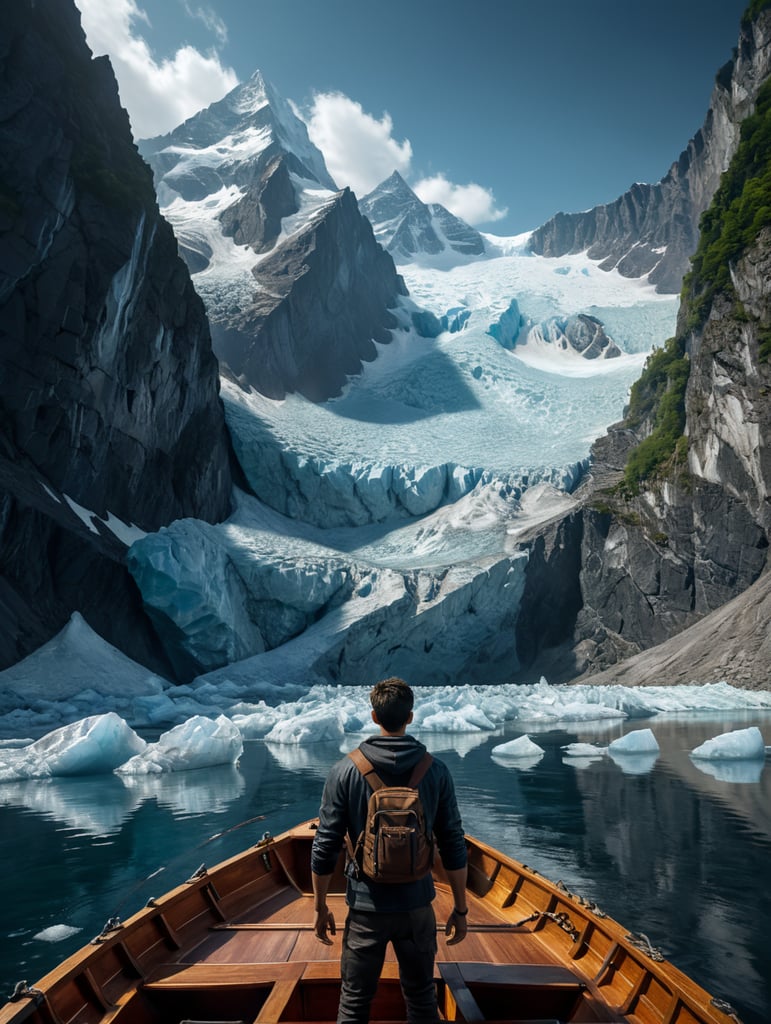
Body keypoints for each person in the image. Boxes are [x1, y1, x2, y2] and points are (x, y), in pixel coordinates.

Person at [311, 676, 468, 1024]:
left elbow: (325, 847)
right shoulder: (436, 771)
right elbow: (453, 843)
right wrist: (460, 909)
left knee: (353, 1004)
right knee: (422, 1000)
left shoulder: (344, 771)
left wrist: (321, 907)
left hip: (366, 910)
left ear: (373, 716)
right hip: (417, 908)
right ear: (410, 717)